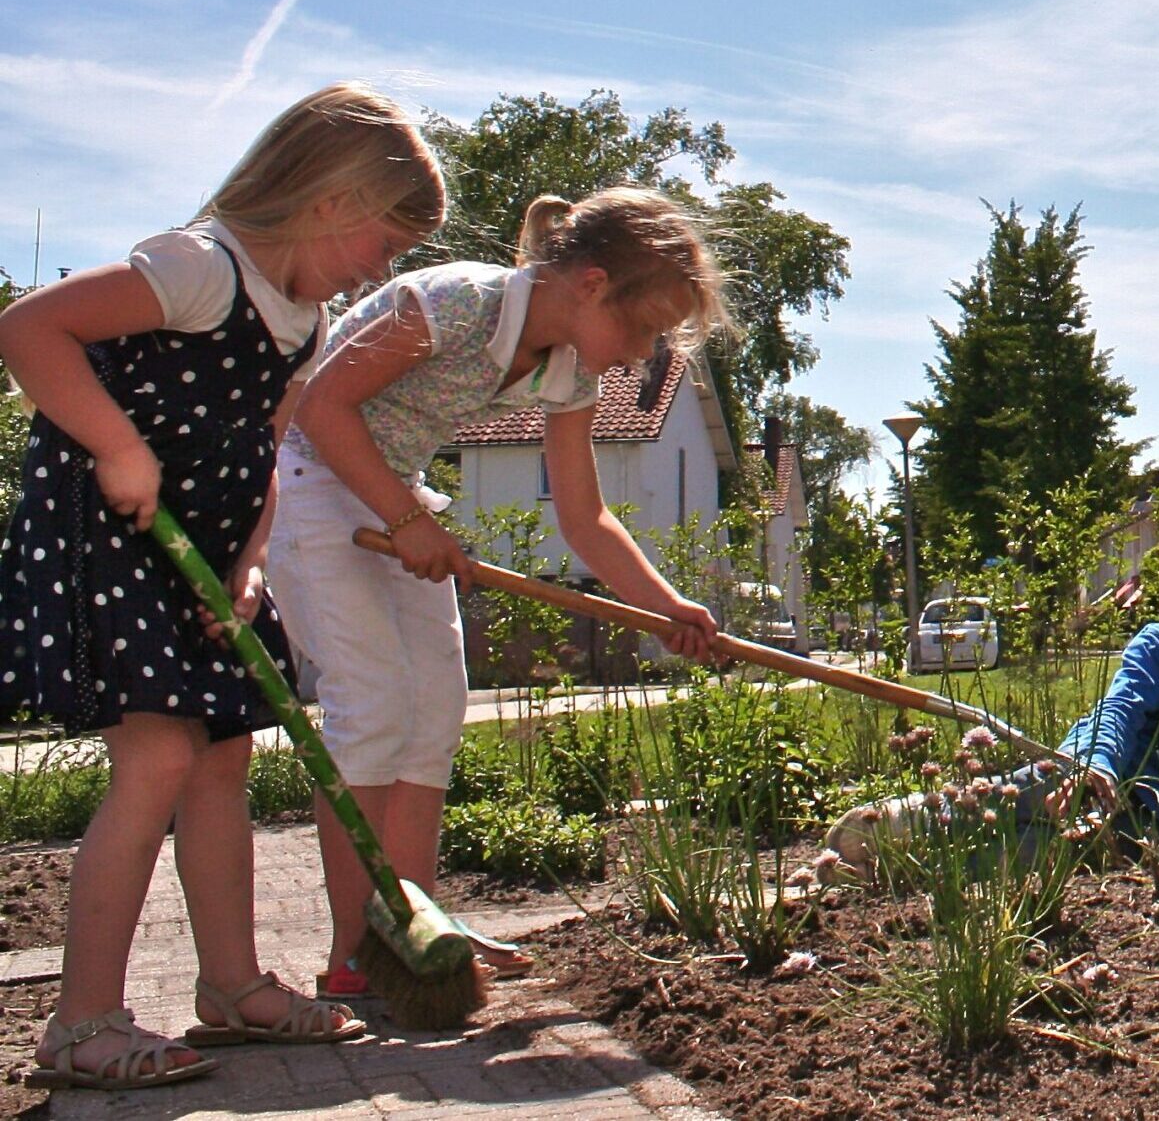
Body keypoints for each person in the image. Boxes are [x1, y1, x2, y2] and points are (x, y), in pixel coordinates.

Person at [0, 83, 445, 1089]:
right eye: (385, 241)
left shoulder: (305, 319)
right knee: (157, 756)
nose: (387, 266)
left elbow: (266, 448)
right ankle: (81, 1022)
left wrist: (249, 562)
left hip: (201, 546)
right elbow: (29, 329)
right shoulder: (198, 268)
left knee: (221, 762)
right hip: (110, 532)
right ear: (329, 202)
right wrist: (117, 445)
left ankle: (233, 986)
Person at [269, 187, 725, 998]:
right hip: (313, 484)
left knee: (434, 712)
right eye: (642, 329)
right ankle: (354, 953)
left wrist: (667, 607)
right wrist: (407, 518)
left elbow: (584, 518)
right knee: (372, 708)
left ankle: (418, 927)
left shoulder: (566, 373)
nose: (636, 354)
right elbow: (319, 406)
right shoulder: (453, 304)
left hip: (394, 498)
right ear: (590, 284)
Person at [828, 486, 1159, 866]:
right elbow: (1118, 709)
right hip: (1092, 778)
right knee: (1014, 799)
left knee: (1045, 857)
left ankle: (905, 865)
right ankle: (904, 823)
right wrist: (1091, 764)